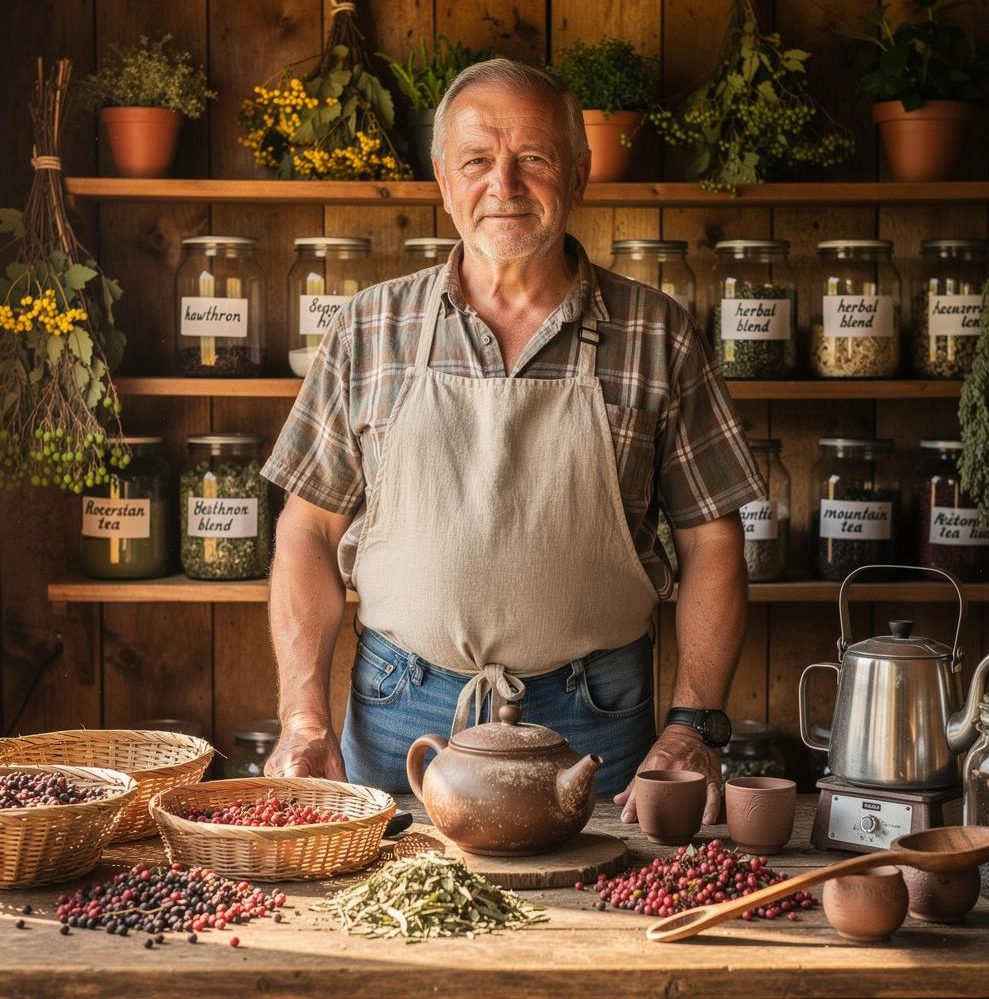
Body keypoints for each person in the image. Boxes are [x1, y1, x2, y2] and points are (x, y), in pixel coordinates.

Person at [261, 59, 765, 825]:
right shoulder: (368, 330)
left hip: (591, 717)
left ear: (581, 174)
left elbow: (712, 542)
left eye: (533, 158)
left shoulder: (657, 333)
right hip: (401, 714)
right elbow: (306, 531)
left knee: (596, 927)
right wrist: (303, 715)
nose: (504, 184)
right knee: (394, 927)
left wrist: (694, 725)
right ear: (441, 176)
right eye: (476, 160)